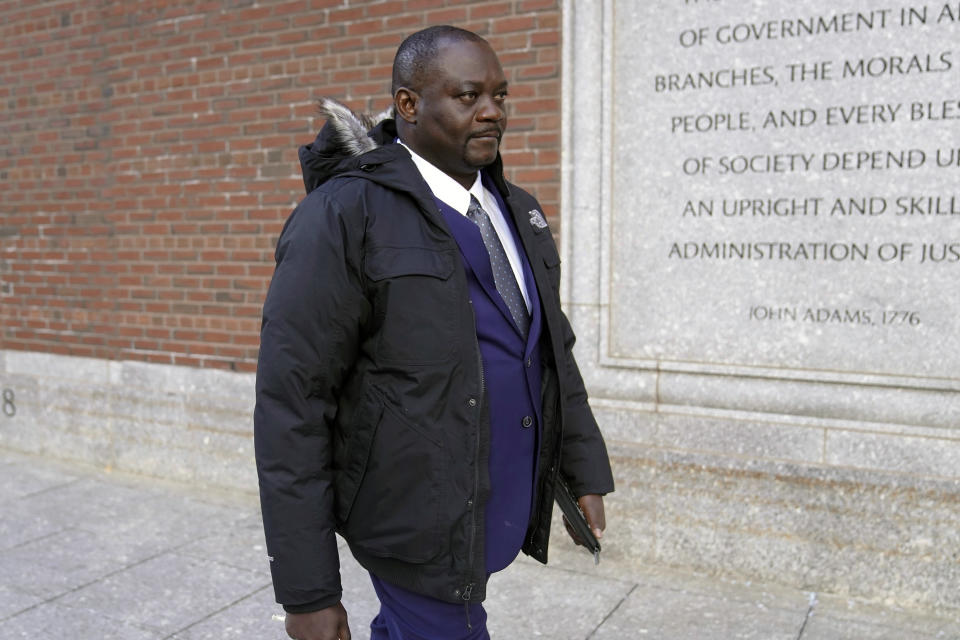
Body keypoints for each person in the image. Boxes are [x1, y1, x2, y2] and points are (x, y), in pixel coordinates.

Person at [254, 25, 615, 640]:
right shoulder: (344, 215)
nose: (492, 112)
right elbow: (293, 403)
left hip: (492, 501)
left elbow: (555, 350)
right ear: (408, 106)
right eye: (468, 96)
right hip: (412, 522)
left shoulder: (519, 210)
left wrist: (581, 470)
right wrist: (307, 591)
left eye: (500, 96)